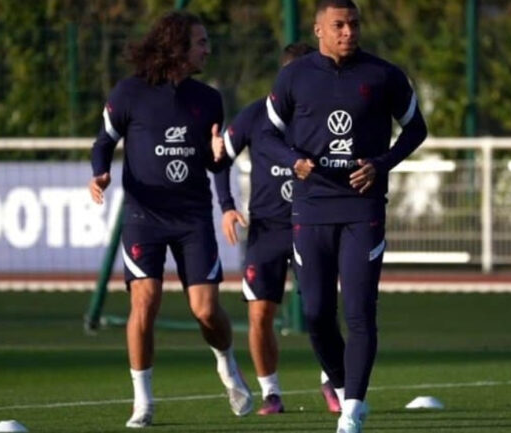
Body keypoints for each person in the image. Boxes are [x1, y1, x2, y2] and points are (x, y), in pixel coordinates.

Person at [258, 1, 427, 431]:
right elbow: (266, 133)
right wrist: (292, 159)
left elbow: (415, 129)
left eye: (354, 24)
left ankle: (352, 409)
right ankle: (340, 380)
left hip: (362, 208)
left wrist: (382, 163)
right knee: (315, 312)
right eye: (339, 25)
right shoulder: (294, 76)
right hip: (310, 207)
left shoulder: (383, 74)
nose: (348, 32)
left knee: (359, 311)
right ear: (319, 30)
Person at [88, 11, 253, 428]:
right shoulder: (129, 94)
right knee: (144, 302)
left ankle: (227, 364)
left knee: (205, 310)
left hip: (193, 217)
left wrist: (227, 197)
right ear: (177, 46)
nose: (207, 48)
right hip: (145, 216)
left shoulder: (208, 99)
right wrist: (100, 172)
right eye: (201, 41)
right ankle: (142, 402)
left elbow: (217, 164)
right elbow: (104, 141)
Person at [211, 42, 342, 416]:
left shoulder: (326, 115)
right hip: (267, 229)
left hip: (313, 223)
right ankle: (271, 393)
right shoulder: (255, 116)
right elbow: (221, 161)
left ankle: (331, 381)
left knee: (321, 310)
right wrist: (227, 207)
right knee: (260, 313)